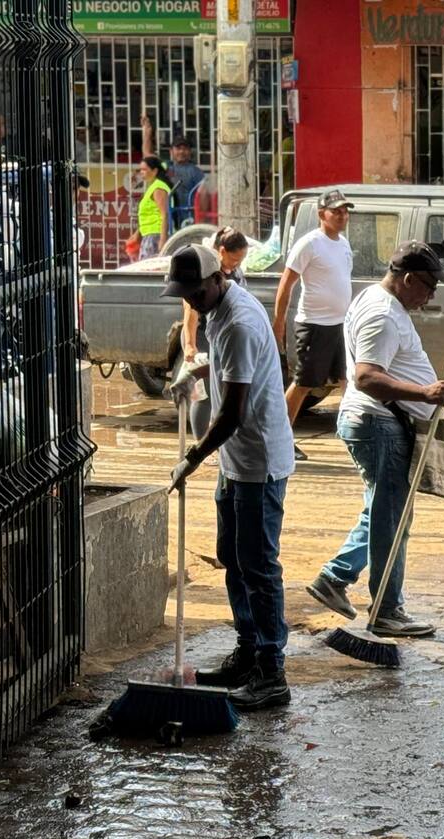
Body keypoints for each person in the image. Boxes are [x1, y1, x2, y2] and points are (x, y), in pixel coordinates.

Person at [306, 241, 444, 637]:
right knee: (391, 518)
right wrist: (424, 394)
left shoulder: (377, 301)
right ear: (408, 279)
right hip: (379, 424)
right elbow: (367, 377)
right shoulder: (382, 315)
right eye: (429, 287)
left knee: (384, 511)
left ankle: (335, 577)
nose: (431, 297)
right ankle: (387, 609)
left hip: (379, 422)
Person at [165, 245, 295, 710]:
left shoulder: (239, 321)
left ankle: (271, 671)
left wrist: (193, 458)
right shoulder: (217, 309)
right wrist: (194, 371)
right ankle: (248, 649)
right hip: (235, 462)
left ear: (217, 277)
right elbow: (224, 373)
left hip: (257, 459)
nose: (192, 301)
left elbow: (234, 412)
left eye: (196, 292)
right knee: (232, 558)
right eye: (186, 295)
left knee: (258, 566)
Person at [271, 188, 355, 461]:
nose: (342, 216)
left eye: (345, 211)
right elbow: (286, 285)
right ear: (322, 215)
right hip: (314, 325)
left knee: (348, 380)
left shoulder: (343, 243)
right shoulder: (309, 243)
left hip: (341, 325)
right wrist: (279, 324)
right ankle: (279, 438)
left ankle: (354, 435)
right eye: (336, 212)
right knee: (304, 384)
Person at [180, 227, 250, 441]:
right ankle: (200, 443)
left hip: (222, 336)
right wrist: (191, 345)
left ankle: (218, 439)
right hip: (201, 336)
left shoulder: (234, 272)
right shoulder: (206, 273)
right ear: (221, 251)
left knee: (223, 390)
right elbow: (189, 310)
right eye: (234, 258)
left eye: (241, 259)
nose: (237, 263)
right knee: (204, 395)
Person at [142, 116, 205, 226]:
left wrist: (200, 218)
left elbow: (204, 197)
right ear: (171, 151)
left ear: (190, 151)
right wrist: (147, 133)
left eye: (185, 148)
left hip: (188, 218)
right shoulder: (166, 166)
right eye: (178, 148)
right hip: (170, 217)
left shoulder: (196, 172)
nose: (181, 151)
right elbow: (147, 154)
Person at [127, 156, 171, 261]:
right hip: (148, 234)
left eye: (144, 169)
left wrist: (162, 239)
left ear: (155, 171)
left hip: (155, 234)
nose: (141, 172)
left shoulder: (158, 187)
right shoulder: (151, 187)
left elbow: (164, 214)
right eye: (140, 170)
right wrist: (137, 233)